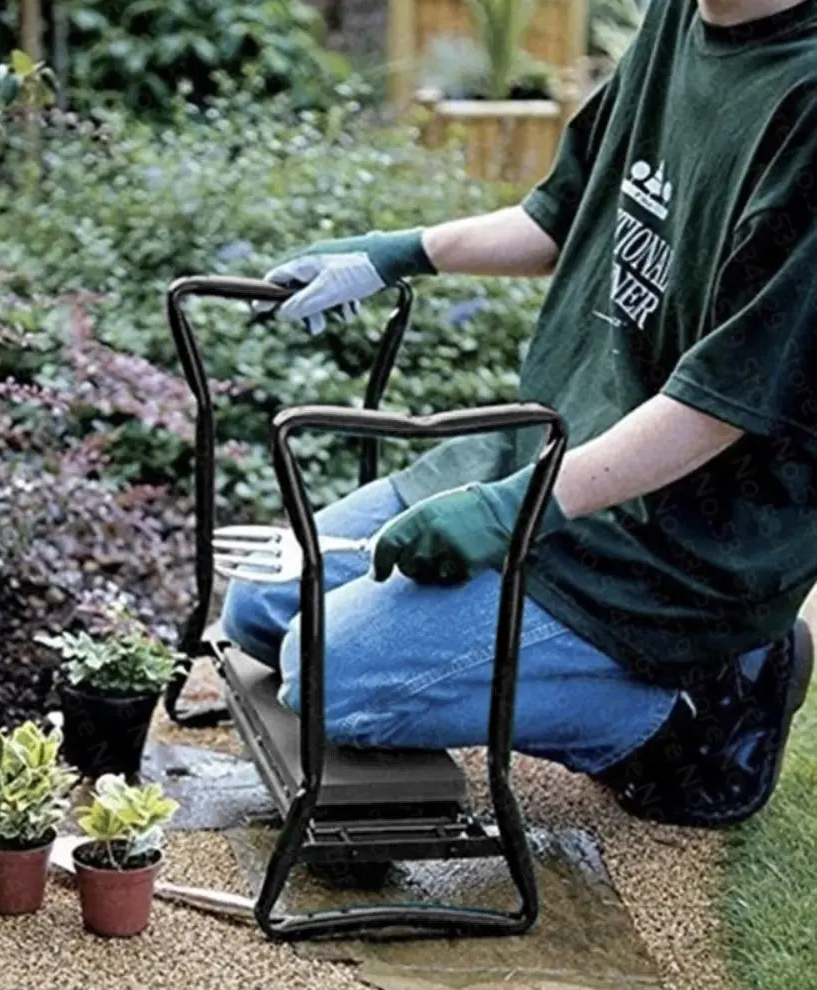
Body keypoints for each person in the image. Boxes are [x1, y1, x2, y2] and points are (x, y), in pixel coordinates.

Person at [221, 0, 817, 828]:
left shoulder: (805, 99)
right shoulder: (682, 17)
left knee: (326, 677)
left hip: (679, 541)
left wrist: (514, 512)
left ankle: (694, 707)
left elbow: (719, 405)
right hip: (552, 448)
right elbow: (562, 214)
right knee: (259, 605)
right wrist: (396, 253)